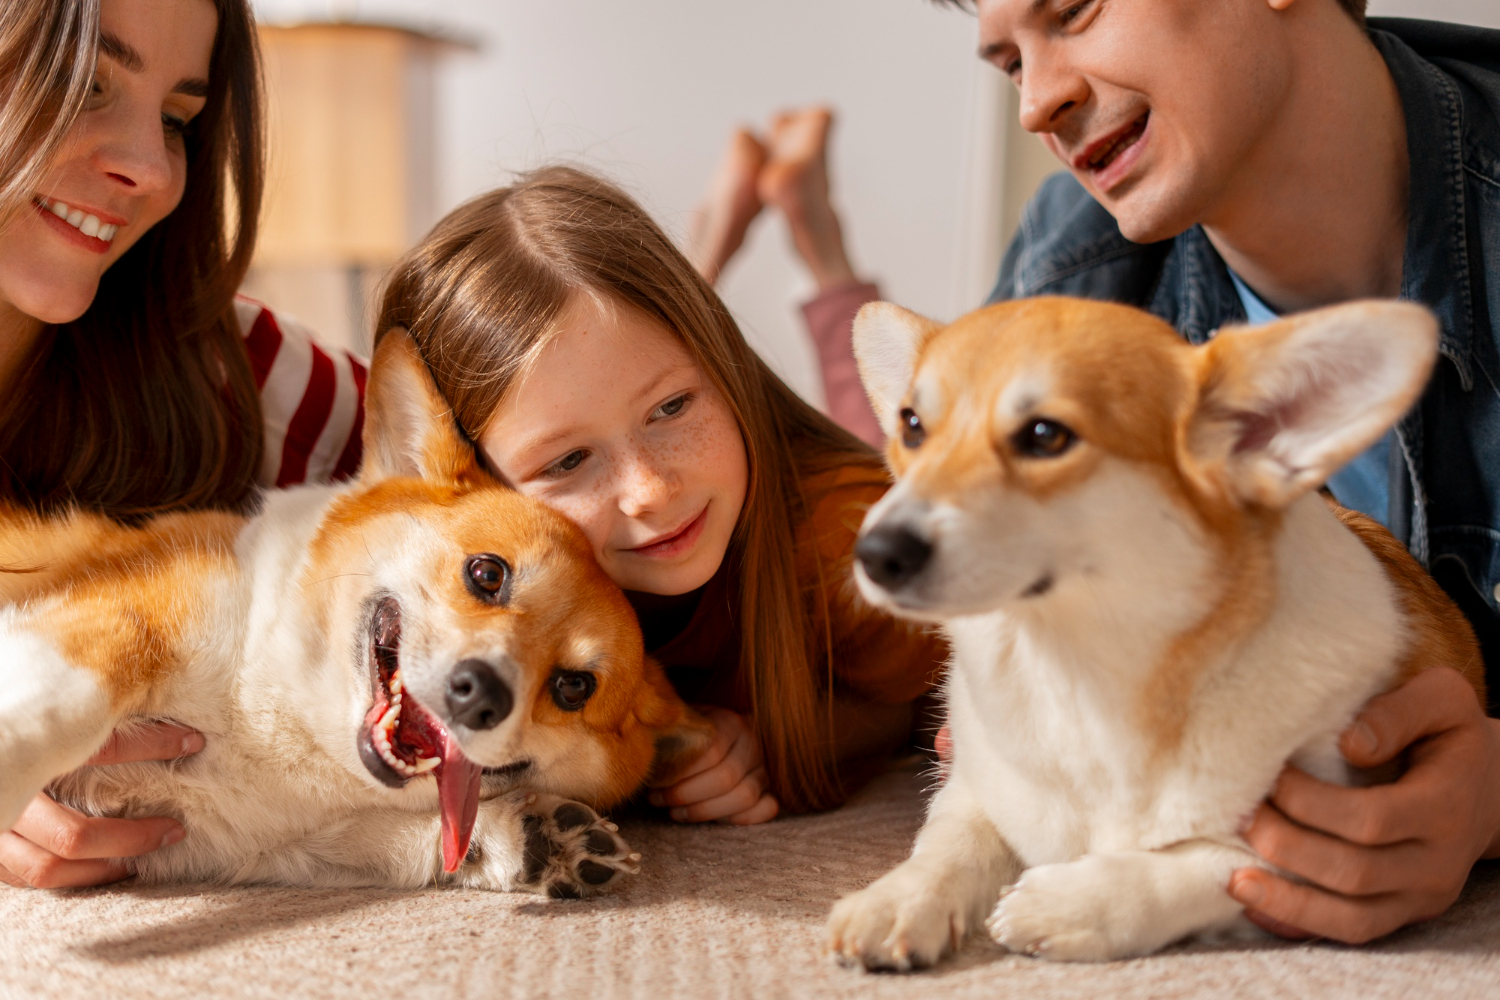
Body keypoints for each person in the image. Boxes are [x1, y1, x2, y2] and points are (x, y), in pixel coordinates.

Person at [703, 0, 1500, 946]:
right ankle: (797, 244)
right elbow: (924, 485)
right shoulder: (1074, 256)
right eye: (1007, 61)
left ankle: (794, 240)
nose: (1037, 101)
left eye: (1074, 10)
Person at [376, 165, 947, 823]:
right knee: (627, 357)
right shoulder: (439, 569)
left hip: (810, 484)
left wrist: (781, 744)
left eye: (674, 405)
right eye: (568, 459)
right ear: (473, 480)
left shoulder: (844, 543)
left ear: (720, 361)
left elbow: (917, 705)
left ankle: (816, 237)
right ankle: (709, 249)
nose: (650, 491)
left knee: (883, 414)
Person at [0, 0, 363, 889]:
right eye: (85, 84)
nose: (150, 169)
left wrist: (725, 713)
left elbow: (548, 499)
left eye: (177, 119)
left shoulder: (245, 374)